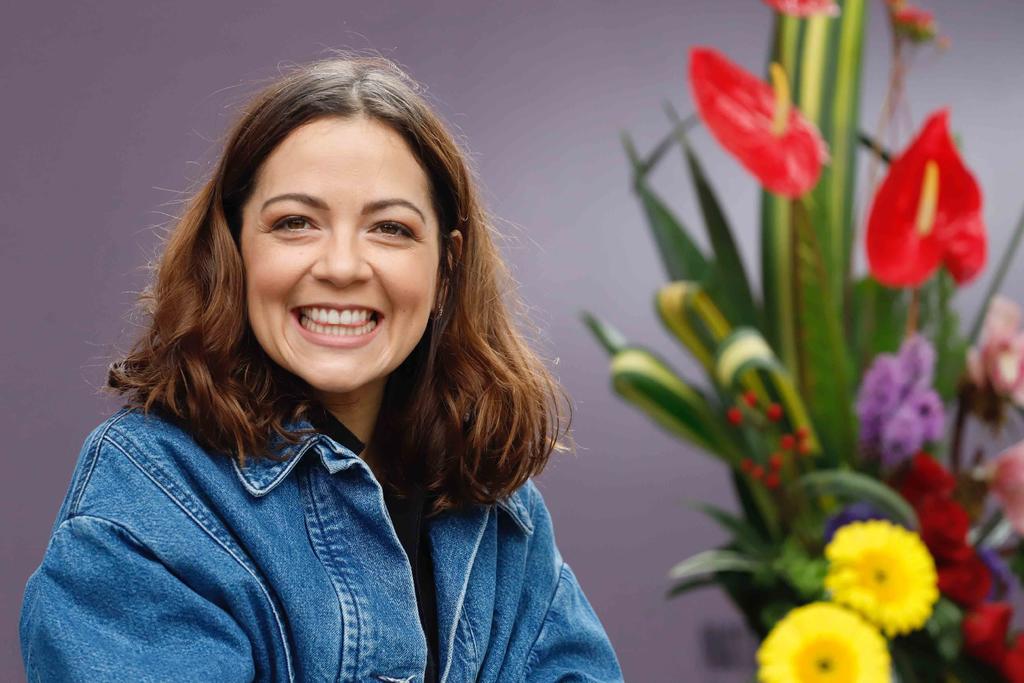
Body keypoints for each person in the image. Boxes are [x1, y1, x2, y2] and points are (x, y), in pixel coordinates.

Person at [18, 53, 624, 682]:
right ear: (233, 250)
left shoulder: (499, 505)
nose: (341, 267)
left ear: (445, 269)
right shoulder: (151, 488)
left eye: (390, 228)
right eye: (295, 223)